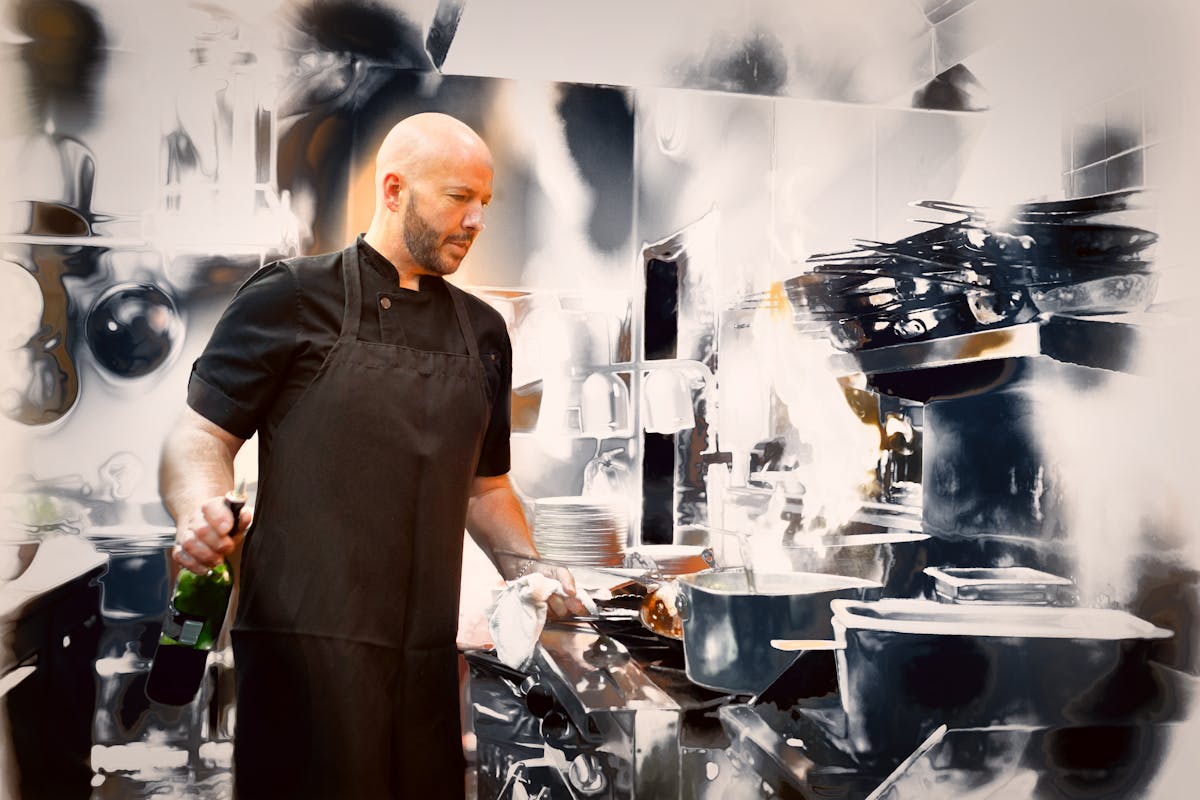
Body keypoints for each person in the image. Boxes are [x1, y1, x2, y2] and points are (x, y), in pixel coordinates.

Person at [158, 112, 588, 799]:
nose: (477, 218)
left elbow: (487, 486)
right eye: (457, 197)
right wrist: (199, 510)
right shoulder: (290, 297)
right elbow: (201, 438)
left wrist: (536, 575)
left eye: (486, 201)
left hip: (423, 662)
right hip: (303, 659)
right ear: (393, 190)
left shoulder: (483, 333)